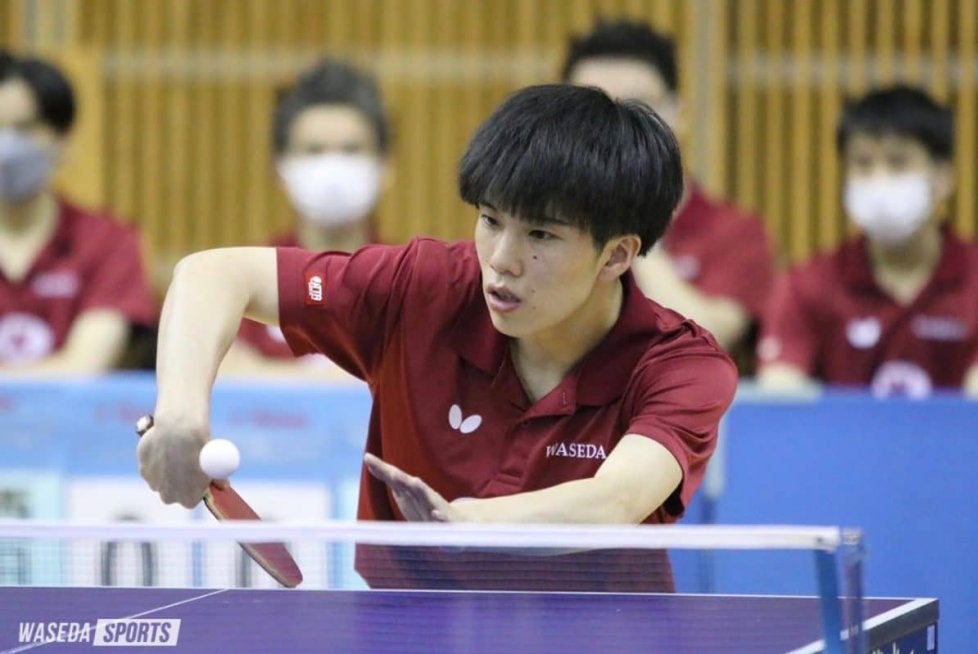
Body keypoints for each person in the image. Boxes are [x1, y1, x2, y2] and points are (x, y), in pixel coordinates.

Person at [138, 84, 737, 592]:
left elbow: (616, 500)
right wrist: (181, 416)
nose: (501, 260)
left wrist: (467, 524)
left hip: (599, 636)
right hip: (407, 631)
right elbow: (211, 275)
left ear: (617, 255)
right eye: (490, 220)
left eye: (541, 236)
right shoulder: (422, 291)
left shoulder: (680, 366)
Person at [561, 18, 775, 372]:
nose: (616, 129)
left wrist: (624, 220)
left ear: (677, 114)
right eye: (594, 110)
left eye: (637, 107)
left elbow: (704, 340)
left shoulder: (736, 232)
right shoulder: (536, 229)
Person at [757, 85, 978, 397]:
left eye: (898, 162)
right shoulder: (807, 285)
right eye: (863, 163)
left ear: (943, 177)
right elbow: (780, 395)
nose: (879, 179)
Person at [221, 58, 392, 379]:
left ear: (385, 165)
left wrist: (265, 373)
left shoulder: (417, 280)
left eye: (351, 150)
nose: (332, 168)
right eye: (314, 150)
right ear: (280, 168)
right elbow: (218, 372)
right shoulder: (240, 280)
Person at [0, 50, 156, 374]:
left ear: (63, 140)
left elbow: (85, 366)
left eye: (24, 128)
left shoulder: (109, 242)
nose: (7, 145)